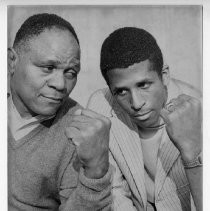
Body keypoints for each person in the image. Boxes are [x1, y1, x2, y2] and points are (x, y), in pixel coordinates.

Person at [87, 27, 202, 211]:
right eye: (122, 91)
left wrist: (192, 154)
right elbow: (114, 192)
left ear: (164, 76)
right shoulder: (101, 107)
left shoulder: (201, 111)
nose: (136, 102)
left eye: (143, 85)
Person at [8, 13, 113, 210]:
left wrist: (95, 172)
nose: (60, 84)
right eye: (48, 67)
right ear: (11, 61)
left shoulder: (78, 134)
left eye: (71, 73)